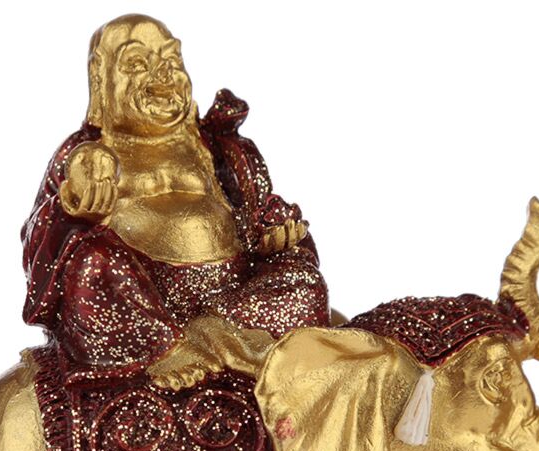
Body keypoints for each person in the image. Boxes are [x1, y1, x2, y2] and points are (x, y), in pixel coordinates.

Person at [21, 14, 329, 385]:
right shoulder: (87, 155)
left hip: (228, 292)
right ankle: (165, 348)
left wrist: (273, 234)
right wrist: (72, 202)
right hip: (140, 298)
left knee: (303, 279)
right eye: (137, 64)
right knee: (92, 265)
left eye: (171, 59)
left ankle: (211, 332)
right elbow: (38, 235)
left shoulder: (216, 146)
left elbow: (256, 209)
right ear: (100, 81)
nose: (162, 74)